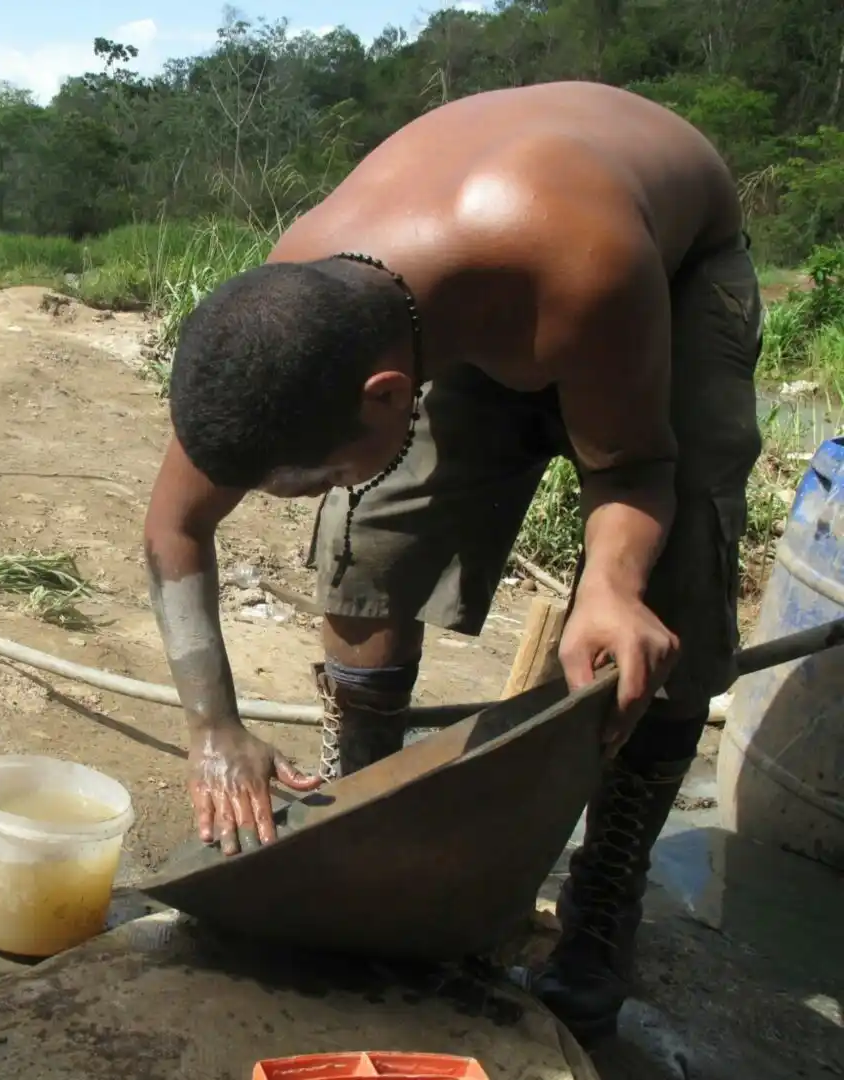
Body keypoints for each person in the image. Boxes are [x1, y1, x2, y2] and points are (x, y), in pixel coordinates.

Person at [141, 80, 761, 1044]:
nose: (300, 495)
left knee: (669, 584)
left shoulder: (579, 265)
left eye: (309, 477)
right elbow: (174, 528)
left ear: (390, 394)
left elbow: (635, 464)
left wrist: (610, 586)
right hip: (477, 272)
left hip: (657, 267)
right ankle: (357, 803)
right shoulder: (296, 304)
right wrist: (214, 727)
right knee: (371, 535)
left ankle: (608, 890)